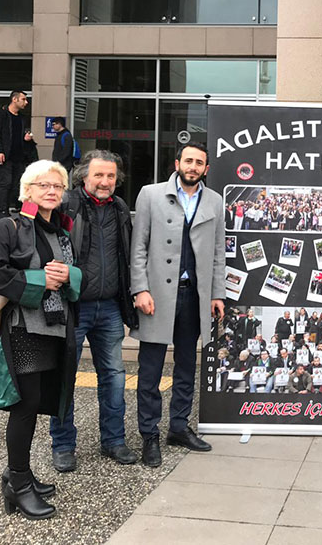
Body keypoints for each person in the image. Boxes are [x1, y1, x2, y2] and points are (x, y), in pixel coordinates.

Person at [0, 160, 81, 520]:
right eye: (43, 185)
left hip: (54, 327)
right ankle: (18, 483)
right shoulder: (9, 227)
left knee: (37, 403)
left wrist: (69, 275)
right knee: (25, 405)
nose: (51, 191)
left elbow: (75, 276)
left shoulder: (61, 231)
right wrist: (39, 281)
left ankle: (18, 474)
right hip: (23, 328)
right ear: (27, 190)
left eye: (57, 186)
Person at [130, 142, 225, 467]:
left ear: (206, 169)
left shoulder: (214, 201)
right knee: (150, 370)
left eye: (199, 162)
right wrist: (140, 289)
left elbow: (217, 252)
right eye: (189, 160)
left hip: (194, 296)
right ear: (177, 163)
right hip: (156, 296)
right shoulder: (150, 195)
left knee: (186, 366)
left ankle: (179, 427)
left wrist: (216, 293)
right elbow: (138, 247)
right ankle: (149, 436)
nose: (193, 167)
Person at [49, 150, 138, 472]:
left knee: (114, 377)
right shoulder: (65, 204)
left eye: (111, 176)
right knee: (64, 378)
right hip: (72, 306)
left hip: (110, 307)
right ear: (83, 176)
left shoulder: (120, 208)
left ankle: (114, 441)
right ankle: (63, 445)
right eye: (98, 175)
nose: (105, 181)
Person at [0, 90, 38, 220]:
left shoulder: (22, 118)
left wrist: (27, 139)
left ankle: (19, 208)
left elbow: (24, 135)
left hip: (20, 157)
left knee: (18, 184)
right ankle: (2, 211)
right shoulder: (0, 115)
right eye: (23, 99)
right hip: (6, 157)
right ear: (14, 99)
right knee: (5, 183)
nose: (26, 102)